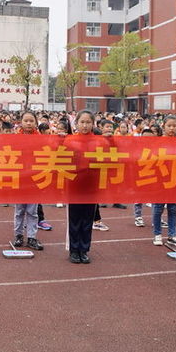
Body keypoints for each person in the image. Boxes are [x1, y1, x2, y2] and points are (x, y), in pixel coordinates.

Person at [67, 110, 97, 264]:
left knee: (87, 220)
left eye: (88, 122)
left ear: (93, 124)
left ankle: (84, 250)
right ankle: (74, 250)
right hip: (74, 185)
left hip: (92, 186)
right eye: (82, 122)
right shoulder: (70, 141)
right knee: (75, 219)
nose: (85, 125)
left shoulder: (99, 142)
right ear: (76, 123)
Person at [13, 111, 43, 251]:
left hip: (34, 180)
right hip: (20, 179)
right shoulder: (15, 138)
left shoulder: (41, 139)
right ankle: (18, 235)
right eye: (26, 120)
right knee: (19, 211)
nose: (29, 123)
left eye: (31, 120)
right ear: (21, 122)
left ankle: (32, 237)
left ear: (36, 122)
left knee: (32, 211)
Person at [152, 115, 176, 247]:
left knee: (172, 209)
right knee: (158, 209)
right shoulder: (158, 143)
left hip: (175, 181)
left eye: (174, 126)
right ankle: (157, 234)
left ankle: (172, 235)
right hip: (160, 181)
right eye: (169, 125)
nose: (171, 128)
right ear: (163, 126)